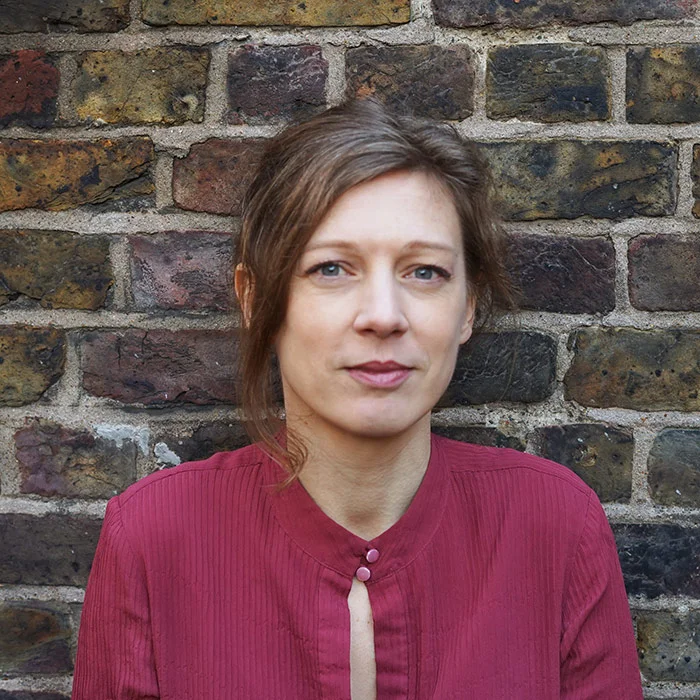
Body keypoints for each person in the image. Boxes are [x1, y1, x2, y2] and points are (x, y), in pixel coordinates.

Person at [71, 98, 643, 699]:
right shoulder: (153, 537)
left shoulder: (556, 527)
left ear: (468, 307)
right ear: (256, 300)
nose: (383, 315)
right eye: (332, 269)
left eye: (424, 271)